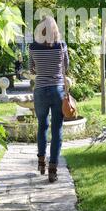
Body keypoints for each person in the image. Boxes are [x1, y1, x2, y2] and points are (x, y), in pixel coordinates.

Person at [29, 16, 69, 183]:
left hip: (40, 90)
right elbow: (66, 66)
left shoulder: (32, 47)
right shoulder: (61, 46)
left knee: (42, 126)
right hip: (57, 90)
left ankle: (41, 162)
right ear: (55, 30)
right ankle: (53, 168)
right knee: (57, 129)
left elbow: (31, 68)